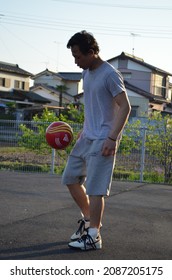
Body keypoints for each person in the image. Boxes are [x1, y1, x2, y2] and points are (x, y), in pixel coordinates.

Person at [62, 30, 131, 250]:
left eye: (78, 56)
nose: (76, 62)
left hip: (104, 139)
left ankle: (94, 236)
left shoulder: (109, 74)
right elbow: (92, 106)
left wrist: (113, 137)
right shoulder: (86, 74)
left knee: (95, 188)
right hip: (87, 136)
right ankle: (89, 219)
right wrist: (83, 129)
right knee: (70, 178)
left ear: (91, 52)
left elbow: (125, 107)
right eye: (73, 57)